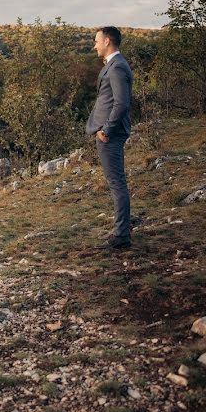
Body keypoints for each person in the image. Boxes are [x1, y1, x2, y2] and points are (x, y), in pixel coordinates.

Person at [85, 26, 133, 250]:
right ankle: (121, 229)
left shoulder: (117, 67)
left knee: (116, 183)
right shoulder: (113, 66)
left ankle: (121, 235)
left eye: (96, 41)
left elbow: (121, 103)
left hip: (109, 135)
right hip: (106, 133)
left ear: (107, 41)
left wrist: (107, 130)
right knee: (115, 182)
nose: (94, 45)